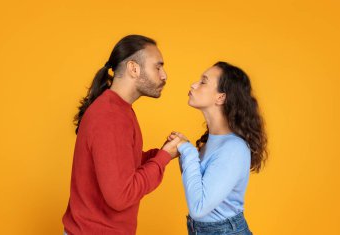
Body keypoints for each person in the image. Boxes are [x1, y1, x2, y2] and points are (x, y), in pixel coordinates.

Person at [62, 35, 181, 235]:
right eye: (157, 67)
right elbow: (121, 196)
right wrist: (163, 158)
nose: (164, 75)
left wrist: (159, 154)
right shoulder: (110, 116)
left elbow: (118, 165)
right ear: (134, 68)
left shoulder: (117, 109)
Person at [169, 61, 268, 235]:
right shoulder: (211, 141)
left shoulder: (234, 149)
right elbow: (196, 188)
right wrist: (184, 152)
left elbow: (198, 208)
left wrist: (188, 151)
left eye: (203, 81)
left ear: (221, 97)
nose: (193, 84)